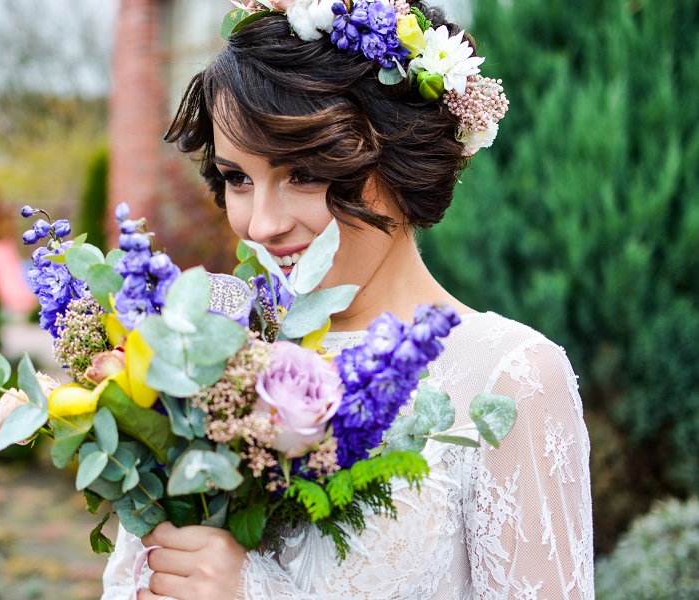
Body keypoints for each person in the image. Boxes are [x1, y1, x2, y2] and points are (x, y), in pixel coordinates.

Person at [102, 1, 594, 598]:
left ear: (401, 159)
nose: (261, 224)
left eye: (304, 173)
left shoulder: (508, 379)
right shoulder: (199, 348)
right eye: (238, 179)